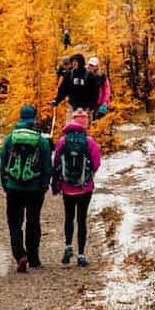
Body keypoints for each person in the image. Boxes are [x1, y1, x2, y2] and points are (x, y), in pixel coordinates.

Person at [0, 102, 52, 272]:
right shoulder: (41, 141)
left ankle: (20, 255)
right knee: (33, 222)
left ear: (20, 117)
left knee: (14, 223)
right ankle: (34, 259)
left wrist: (5, 184)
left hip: (14, 187)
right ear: (34, 119)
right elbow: (47, 165)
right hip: (35, 188)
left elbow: (3, 163)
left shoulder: (10, 138)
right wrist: (44, 185)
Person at [51, 106, 101, 265]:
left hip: (67, 187)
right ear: (85, 123)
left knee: (69, 217)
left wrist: (58, 182)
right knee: (82, 219)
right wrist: (88, 175)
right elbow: (96, 163)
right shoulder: (89, 142)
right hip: (84, 187)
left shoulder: (62, 141)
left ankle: (67, 246)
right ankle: (81, 254)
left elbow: (56, 161)